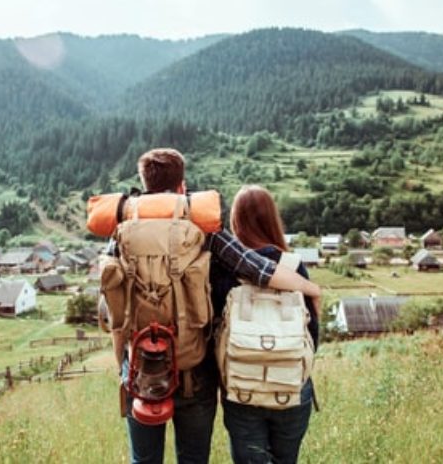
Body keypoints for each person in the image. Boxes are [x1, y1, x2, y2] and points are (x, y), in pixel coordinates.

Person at [98, 149, 321, 464]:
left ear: (143, 185)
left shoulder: (121, 233)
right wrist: (310, 287)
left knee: (144, 460)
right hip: (196, 370)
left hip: (141, 367)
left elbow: (109, 308)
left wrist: (122, 363)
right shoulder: (201, 226)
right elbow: (256, 268)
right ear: (182, 185)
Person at [217, 185, 319, 464]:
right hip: (290, 385)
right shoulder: (293, 265)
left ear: (236, 221)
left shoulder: (227, 267)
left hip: (241, 386)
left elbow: (215, 330)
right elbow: (312, 336)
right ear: (273, 219)